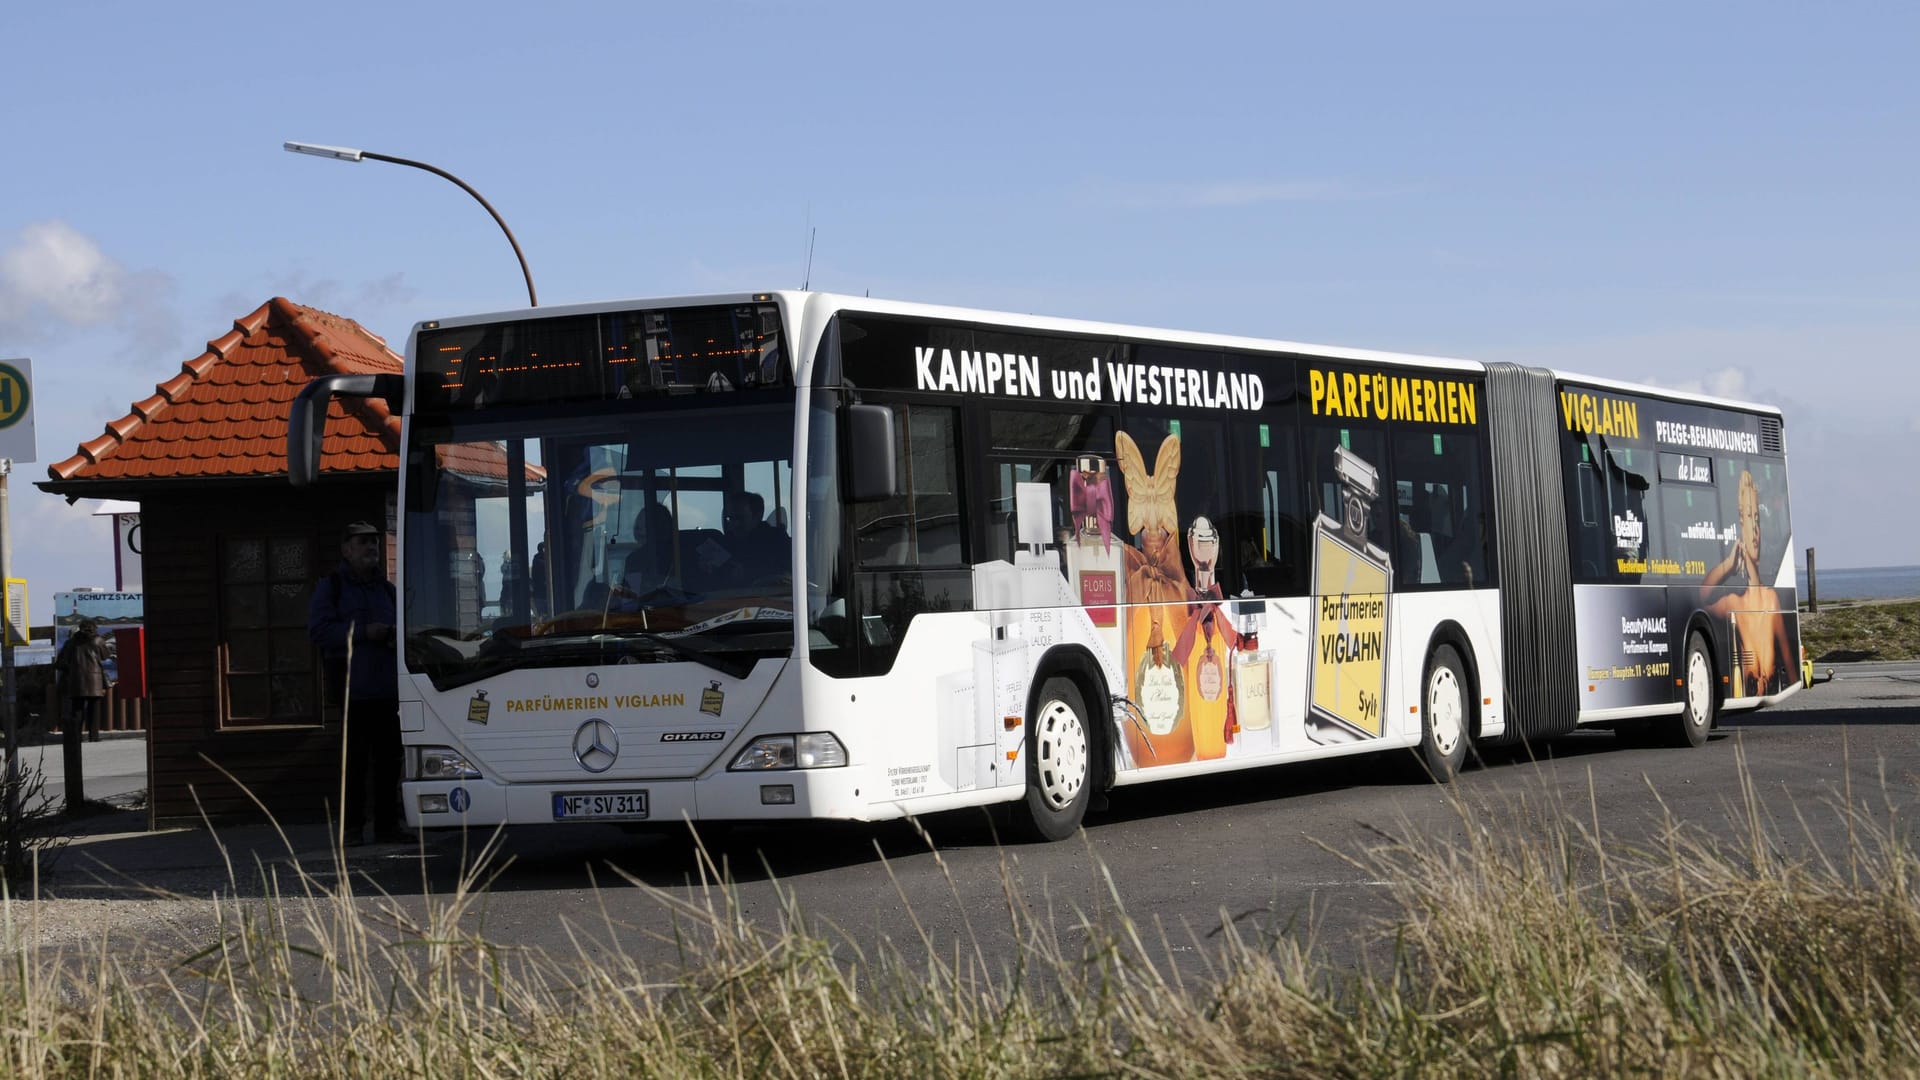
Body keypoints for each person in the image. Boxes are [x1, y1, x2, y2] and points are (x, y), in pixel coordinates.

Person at [308, 521, 413, 846]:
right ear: (346, 549)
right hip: (353, 693)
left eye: (375, 542)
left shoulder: (388, 591)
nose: (371, 548)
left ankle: (387, 828)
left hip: (388, 692)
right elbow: (319, 632)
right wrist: (364, 632)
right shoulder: (333, 587)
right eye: (364, 542)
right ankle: (351, 830)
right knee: (353, 765)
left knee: (389, 763)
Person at [1701, 469, 1795, 697]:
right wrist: (1727, 566)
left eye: (1757, 519)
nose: (1754, 530)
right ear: (1739, 526)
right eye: (1747, 518)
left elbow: (1791, 671)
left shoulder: (1770, 600)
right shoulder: (1734, 603)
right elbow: (1700, 600)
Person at [704, 491, 790, 586]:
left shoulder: (777, 540)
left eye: (740, 518)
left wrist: (747, 572)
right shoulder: (724, 542)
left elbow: (787, 573)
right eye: (730, 518)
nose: (734, 524)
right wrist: (706, 569)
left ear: (758, 516)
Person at [609, 501, 680, 611]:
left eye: (642, 526)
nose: (638, 529)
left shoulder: (636, 559)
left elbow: (629, 604)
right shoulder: (681, 552)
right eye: (638, 526)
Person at [57, 619, 114, 743]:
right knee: (94, 710)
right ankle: (94, 736)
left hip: (76, 680)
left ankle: (76, 736)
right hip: (95, 680)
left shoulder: (71, 643)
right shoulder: (98, 640)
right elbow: (106, 656)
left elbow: (62, 661)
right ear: (94, 628)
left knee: (77, 710)